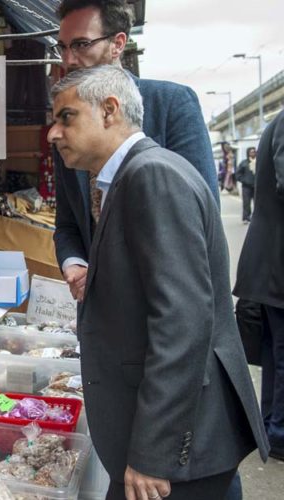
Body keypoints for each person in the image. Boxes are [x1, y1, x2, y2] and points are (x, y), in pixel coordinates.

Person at [47, 65, 269, 500]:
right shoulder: (135, 174)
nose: (54, 133)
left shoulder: (151, 175)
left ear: (109, 110)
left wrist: (153, 451)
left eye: (66, 117)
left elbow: (182, 323)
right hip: (171, 437)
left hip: (178, 447)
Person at [52, 0, 218, 303]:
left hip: (172, 305)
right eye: (62, 47)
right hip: (103, 315)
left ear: (118, 44)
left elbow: (200, 220)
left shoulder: (171, 104)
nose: (68, 59)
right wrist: (75, 263)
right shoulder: (67, 125)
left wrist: (115, 276)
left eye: (81, 44)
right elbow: (67, 222)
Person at [234, 109, 284, 462]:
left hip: (273, 262)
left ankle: (273, 427)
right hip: (277, 262)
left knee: (277, 353)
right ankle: (277, 431)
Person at [235, 146, 257, 223]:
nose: (253, 153)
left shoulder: (258, 162)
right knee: (246, 203)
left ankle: (256, 218)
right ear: (248, 153)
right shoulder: (244, 163)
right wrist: (244, 180)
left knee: (258, 203)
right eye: (251, 152)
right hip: (246, 187)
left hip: (256, 186)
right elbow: (237, 174)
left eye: (254, 152)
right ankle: (246, 218)